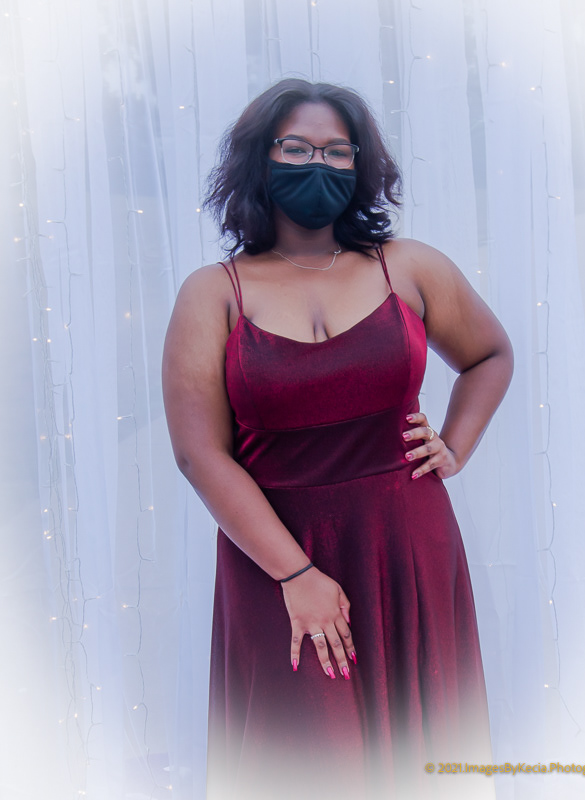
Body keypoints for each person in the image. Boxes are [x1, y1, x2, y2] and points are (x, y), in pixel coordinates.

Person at [162, 79, 513, 800]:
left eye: (337, 152)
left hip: (408, 544)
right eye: (296, 148)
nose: (317, 164)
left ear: (360, 166)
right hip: (274, 560)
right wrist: (296, 576)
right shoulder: (214, 291)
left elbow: (489, 355)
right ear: (260, 160)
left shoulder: (408, 266)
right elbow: (200, 455)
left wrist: (455, 443)